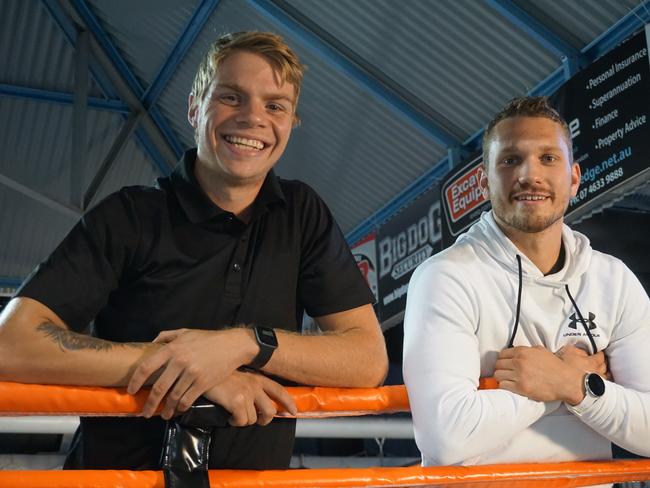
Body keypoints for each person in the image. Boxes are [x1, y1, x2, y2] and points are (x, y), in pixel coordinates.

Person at [0, 31, 387, 470]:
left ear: (291, 123)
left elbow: (368, 359)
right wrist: (185, 365)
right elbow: (10, 344)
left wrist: (244, 345)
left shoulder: (302, 214)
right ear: (194, 107)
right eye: (232, 97)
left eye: (274, 105)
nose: (253, 118)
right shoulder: (128, 215)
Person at [403, 96, 650, 466]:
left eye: (548, 158)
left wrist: (569, 385)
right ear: (486, 181)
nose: (529, 175)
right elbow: (445, 437)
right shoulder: (446, 276)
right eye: (510, 160)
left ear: (574, 178)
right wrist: (567, 384)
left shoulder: (613, 280)